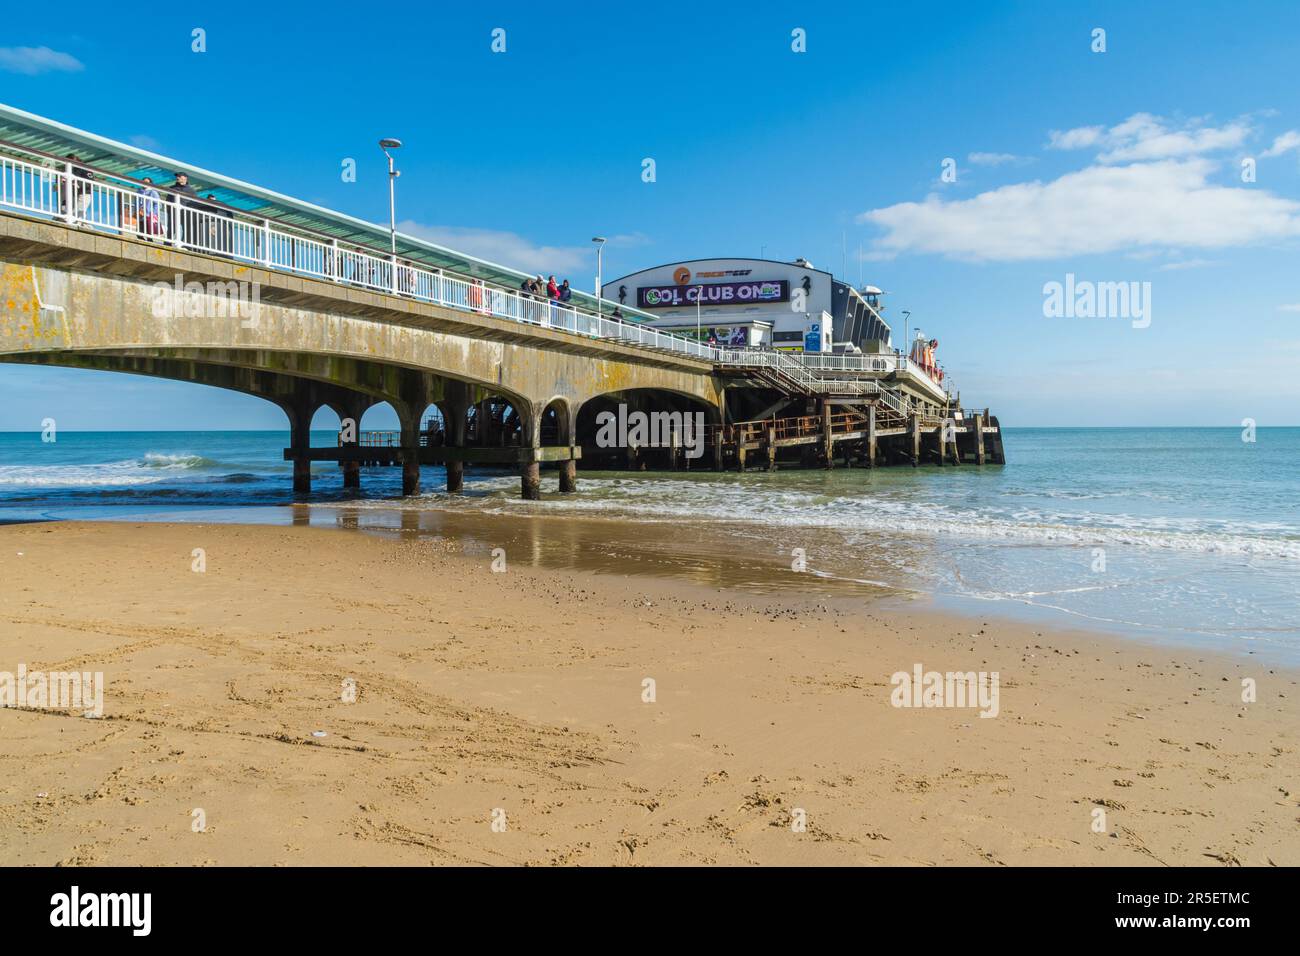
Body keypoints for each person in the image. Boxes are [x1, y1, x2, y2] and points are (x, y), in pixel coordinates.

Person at [168, 171, 200, 247]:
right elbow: (168, 199)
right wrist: (168, 210)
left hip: (186, 212)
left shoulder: (191, 190)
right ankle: (167, 243)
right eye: (177, 176)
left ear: (185, 178)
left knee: (187, 229)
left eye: (179, 176)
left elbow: (195, 202)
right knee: (171, 228)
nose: (177, 177)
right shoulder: (172, 188)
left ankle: (184, 245)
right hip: (174, 211)